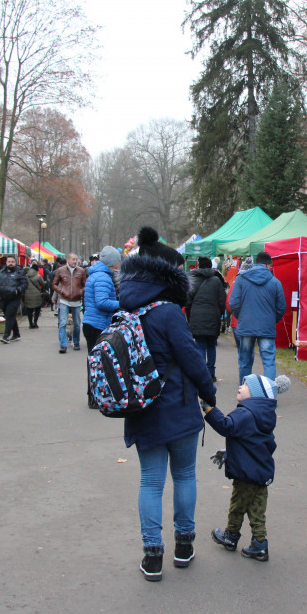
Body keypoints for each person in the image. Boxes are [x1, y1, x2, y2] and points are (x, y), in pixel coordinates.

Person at [116, 243, 216, 582]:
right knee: (185, 475)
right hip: (180, 405)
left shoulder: (127, 310)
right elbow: (191, 359)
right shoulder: (169, 311)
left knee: (151, 481)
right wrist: (209, 393)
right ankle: (184, 547)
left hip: (142, 408)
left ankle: (152, 555)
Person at [205, 373, 290, 562]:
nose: (240, 386)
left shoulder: (245, 413)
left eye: (246, 385)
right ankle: (260, 544)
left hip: (246, 474)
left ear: (256, 395)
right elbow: (251, 443)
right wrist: (229, 453)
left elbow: (226, 426)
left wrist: (209, 410)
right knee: (256, 509)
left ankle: (231, 535)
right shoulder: (264, 415)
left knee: (238, 505)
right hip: (260, 471)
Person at [229, 251, 286, 383]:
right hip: (266, 326)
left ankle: (245, 390)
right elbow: (281, 307)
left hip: (246, 325)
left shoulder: (241, 279)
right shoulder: (275, 282)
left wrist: (241, 316)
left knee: (245, 360)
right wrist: (272, 319)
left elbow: (233, 303)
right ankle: (268, 394)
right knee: (269, 361)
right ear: (268, 265)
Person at [83, 246, 122, 408]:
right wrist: (122, 304)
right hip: (97, 324)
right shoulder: (103, 278)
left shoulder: (97, 274)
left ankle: (94, 395)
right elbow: (102, 302)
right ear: (113, 263)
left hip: (92, 323)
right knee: (98, 364)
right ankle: (94, 397)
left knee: (95, 363)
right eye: (119, 260)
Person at [187, 256, 228, 382]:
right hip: (213, 316)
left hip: (196, 316)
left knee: (200, 345)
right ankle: (211, 372)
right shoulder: (216, 280)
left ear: (198, 266)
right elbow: (222, 300)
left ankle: (200, 373)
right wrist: (220, 314)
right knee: (211, 346)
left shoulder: (192, 279)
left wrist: (190, 316)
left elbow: (188, 301)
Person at [53, 252, 87, 354]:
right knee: (63, 323)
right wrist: (61, 292)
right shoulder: (60, 270)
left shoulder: (81, 271)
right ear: (67, 260)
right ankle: (63, 345)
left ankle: (76, 342)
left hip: (76, 301)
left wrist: (81, 292)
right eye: (73, 259)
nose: (75, 261)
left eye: (76, 259)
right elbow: (54, 284)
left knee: (77, 323)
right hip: (64, 300)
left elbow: (85, 284)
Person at [0, 257, 27, 343]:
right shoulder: (1, 272)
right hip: (3, 297)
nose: (11, 263)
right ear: (6, 262)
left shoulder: (19, 272)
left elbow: (24, 283)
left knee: (9, 315)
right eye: (9, 261)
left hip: (14, 297)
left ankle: (6, 336)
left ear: (15, 262)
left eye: (12, 262)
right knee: (10, 315)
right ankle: (16, 334)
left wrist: (18, 290)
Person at [23, 261, 46, 329]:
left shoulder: (26, 276)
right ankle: (35, 322)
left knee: (29, 310)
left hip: (27, 295)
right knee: (37, 310)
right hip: (37, 295)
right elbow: (43, 284)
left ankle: (30, 323)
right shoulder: (38, 276)